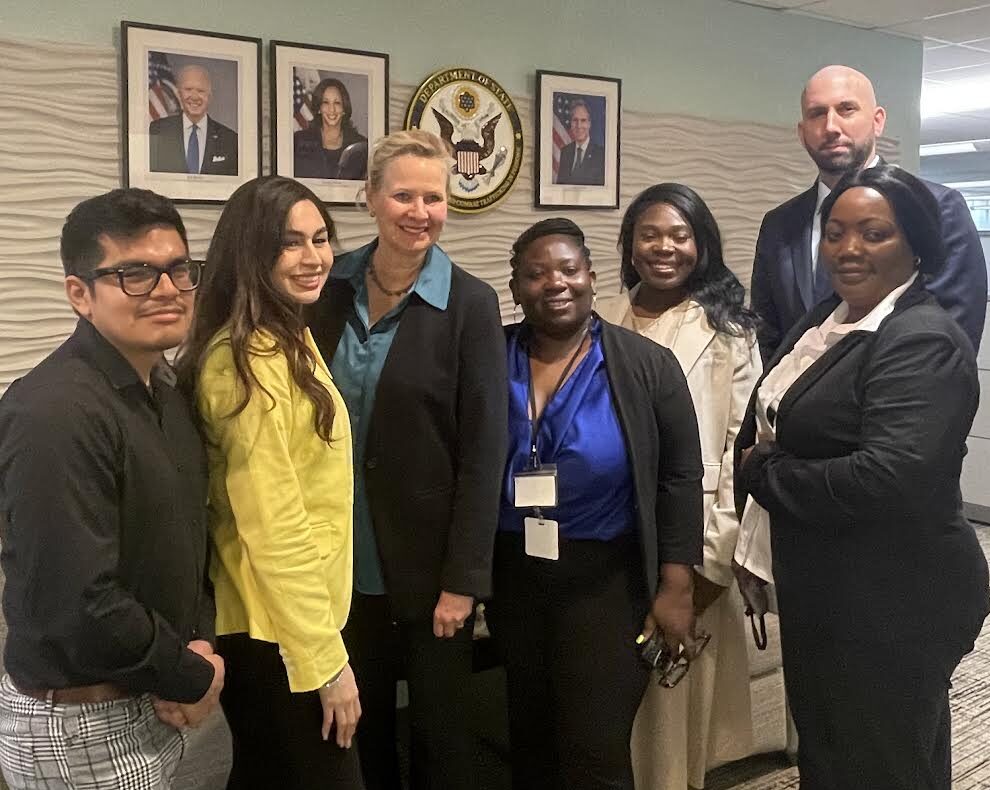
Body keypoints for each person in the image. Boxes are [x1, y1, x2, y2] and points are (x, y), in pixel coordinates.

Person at [735, 165, 990, 790]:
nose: (849, 249)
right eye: (836, 232)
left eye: (874, 233)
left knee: (880, 763)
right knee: (840, 752)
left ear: (915, 243)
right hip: (829, 587)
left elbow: (887, 479)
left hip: (893, 598)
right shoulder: (832, 317)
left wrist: (764, 475)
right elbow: (777, 409)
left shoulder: (920, 339)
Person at [0, 188, 223, 789]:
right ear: (80, 294)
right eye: (133, 274)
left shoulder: (164, 389)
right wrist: (191, 675)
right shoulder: (55, 413)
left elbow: (187, 539)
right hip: (79, 724)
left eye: (178, 268)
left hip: (149, 695)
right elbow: (77, 602)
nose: (168, 289)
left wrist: (196, 647)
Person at [307, 129, 507, 790]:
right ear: (369, 198)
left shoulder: (470, 304)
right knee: (353, 735)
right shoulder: (326, 288)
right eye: (403, 195)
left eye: (433, 197)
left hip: (430, 574)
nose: (419, 211)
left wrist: (464, 578)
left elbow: (484, 449)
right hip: (336, 564)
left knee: (439, 737)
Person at [488, 217, 705, 790]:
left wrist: (677, 586)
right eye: (536, 274)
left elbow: (680, 478)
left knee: (594, 748)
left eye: (568, 269)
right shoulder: (490, 356)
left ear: (590, 277)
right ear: (515, 287)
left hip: (606, 580)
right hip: (514, 574)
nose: (555, 283)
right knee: (528, 734)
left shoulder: (645, 366)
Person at [177, 176, 363, 789]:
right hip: (275, 634)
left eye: (321, 238)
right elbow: (274, 526)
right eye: (290, 243)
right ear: (251, 254)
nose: (314, 257)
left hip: (288, 625)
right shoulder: (243, 362)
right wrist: (326, 663)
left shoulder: (284, 338)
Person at [598, 183, 761, 790]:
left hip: (688, 536)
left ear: (702, 245)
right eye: (649, 234)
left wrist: (713, 561)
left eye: (679, 234)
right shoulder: (600, 315)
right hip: (608, 535)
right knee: (610, 697)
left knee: (671, 701)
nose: (663, 247)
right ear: (630, 244)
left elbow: (738, 452)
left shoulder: (728, 331)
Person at [751, 65, 986, 360]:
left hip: (902, 398)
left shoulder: (937, 208)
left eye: (846, 109)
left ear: (877, 121)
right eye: (817, 114)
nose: (831, 126)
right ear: (802, 132)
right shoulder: (780, 224)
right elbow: (768, 333)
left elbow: (950, 341)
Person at [150, 63, 238, 175]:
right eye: (188, 89)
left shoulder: (231, 140)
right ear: (178, 93)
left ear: (210, 96)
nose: (195, 96)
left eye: (201, 91)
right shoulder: (157, 131)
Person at [294, 78, 369, 180]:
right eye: (326, 102)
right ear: (319, 108)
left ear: (344, 109)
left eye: (337, 103)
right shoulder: (299, 141)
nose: (332, 109)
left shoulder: (361, 147)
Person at [555, 99, 606, 185]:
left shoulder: (601, 154)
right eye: (575, 120)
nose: (578, 126)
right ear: (571, 123)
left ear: (589, 124)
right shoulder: (565, 152)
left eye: (583, 120)